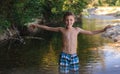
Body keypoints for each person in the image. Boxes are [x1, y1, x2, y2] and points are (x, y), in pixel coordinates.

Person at [29, 12, 111, 74]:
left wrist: (103, 30)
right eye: (67, 20)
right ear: (64, 21)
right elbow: (48, 28)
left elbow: (91, 32)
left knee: (75, 72)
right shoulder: (61, 29)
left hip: (74, 56)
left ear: (74, 20)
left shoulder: (77, 30)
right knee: (63, 72)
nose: (69, 22)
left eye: (71, 20)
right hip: (64, 55)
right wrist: (36, 25)